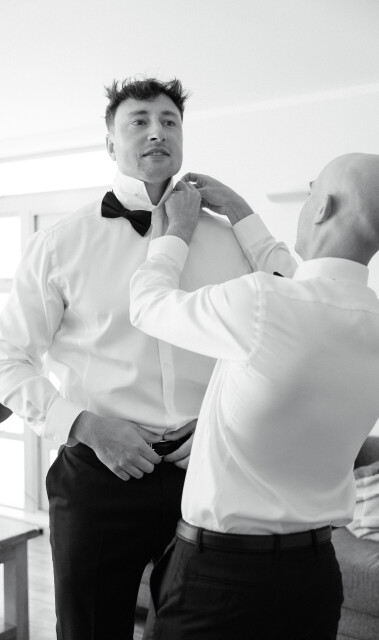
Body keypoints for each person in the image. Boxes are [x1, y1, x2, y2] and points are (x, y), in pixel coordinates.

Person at [0, 77, 296, 640]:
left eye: (170, 121)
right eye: (139, 121)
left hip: (207, 471)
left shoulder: (229, 239)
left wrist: (244, 214)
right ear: (110, 143)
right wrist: (85, 426)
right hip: (99, 472)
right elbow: (5, 363)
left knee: (204, 632)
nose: (157, 132)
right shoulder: (59, 243)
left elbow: (296, 313)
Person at [129, 153, 379, 640]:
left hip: (222, 580)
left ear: (322, 207)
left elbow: (148, 305)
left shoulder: (263, 301)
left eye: (310, 192)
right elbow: (307, 289)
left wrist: (175, 233)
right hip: (315, 578)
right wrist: (244, 216)